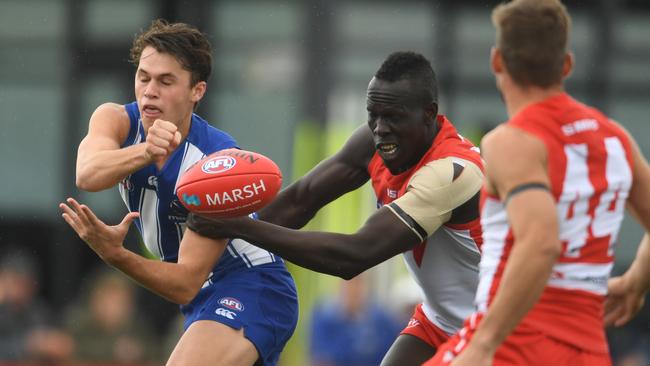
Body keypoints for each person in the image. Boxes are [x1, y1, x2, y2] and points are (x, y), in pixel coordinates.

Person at [188, 51, 485, 365]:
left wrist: (237, 226)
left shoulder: (452, 171)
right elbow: (302, 199)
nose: (380, 128)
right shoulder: (375, 141)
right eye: (373, 114)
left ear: (429, 114)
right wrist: (216, 247)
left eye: (394, 116)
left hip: (500, 323)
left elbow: (355, 255)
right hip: (438, 321)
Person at [58, 19, 298, 366]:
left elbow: (184, 281)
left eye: (165, 81)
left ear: (196, 91)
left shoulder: (215, 162)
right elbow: (87, 173)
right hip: (202, 297)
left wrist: (115, 254)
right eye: (143, 77)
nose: (149, 91)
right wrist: (145, 152)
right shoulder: (115, 119)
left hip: (251, 286)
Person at [424, 1, 650, 365]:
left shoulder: (511, 141)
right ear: (567, 65)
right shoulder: (613, 139)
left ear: (497, 61)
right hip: (589, 351)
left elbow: (542, 243)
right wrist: (636, 281)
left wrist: (484, 344)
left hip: (515, 343)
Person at [65, 268, 158, 363]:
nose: (111, 307)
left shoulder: (137, 326)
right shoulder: (79, 322)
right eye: (107, 300)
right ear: (94, 300)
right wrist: (113, 349)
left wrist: (138, 352)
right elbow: (72, 347)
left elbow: (156, 352)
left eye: (118, 302)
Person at [309, 275, 402, 366]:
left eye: (358, 284)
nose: (354, 290)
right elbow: (321, 357)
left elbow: (396, 347)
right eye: (350, 285)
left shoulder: (380, 319)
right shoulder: (324, 317)